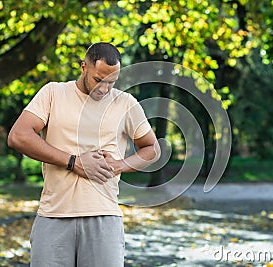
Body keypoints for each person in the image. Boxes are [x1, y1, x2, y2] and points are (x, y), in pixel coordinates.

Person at [8, 42, 160, 267]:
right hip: (54, 215)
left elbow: (152, 149)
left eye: (111, 82)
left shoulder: (125, 103)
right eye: (98, 80)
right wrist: (74, 162)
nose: (104, 89)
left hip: (104, 217)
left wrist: (120, 165)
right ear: (83, 68)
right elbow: (18, 136)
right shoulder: (53, 93)